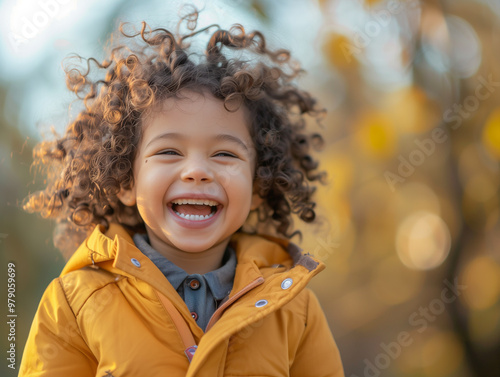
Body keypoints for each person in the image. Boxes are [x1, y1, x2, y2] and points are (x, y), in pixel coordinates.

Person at [19, 8, 344, 377]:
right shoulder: (73, 304)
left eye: (224, 154)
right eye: (169, 151)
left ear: (257, 186)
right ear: (126, 181)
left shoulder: (295, 310)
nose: (197, 172)